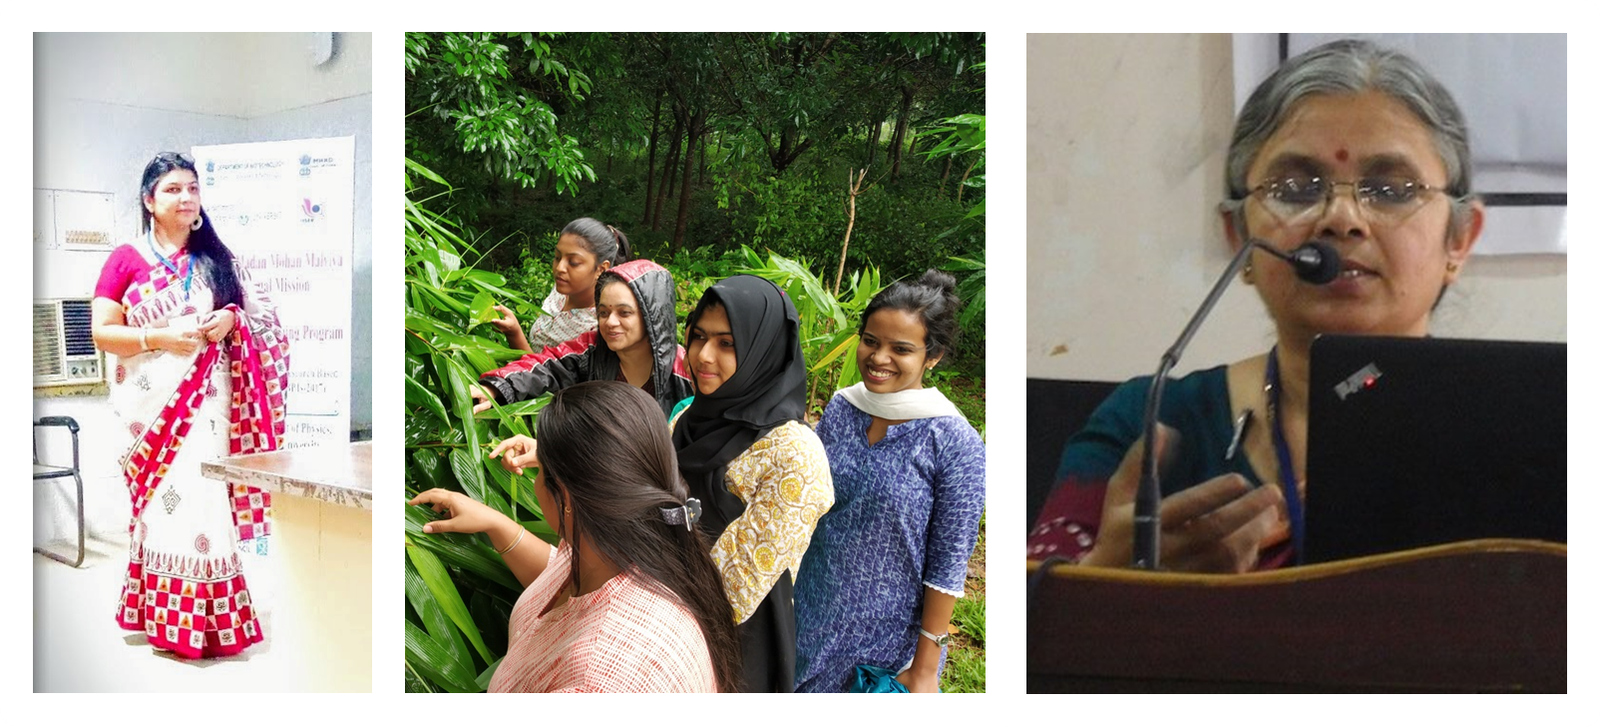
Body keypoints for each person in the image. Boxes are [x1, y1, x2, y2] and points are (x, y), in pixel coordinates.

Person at [1027, 39, 1484, 572]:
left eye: (1389, 189)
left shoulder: (1533, 426)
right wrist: (1113, 581)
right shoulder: (1153, 420)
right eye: (1295, 188)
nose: (1342, 218)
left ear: (1460, 240)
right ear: (1236, 234)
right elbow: (1030, 611)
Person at [410, 381, 741, 692]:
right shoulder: (630, 551)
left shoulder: (603, 681)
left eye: (542, 470)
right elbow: (560, 577)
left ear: (566, 497)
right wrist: (496, 523)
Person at [92, 152, 289, 658]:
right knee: (162, 511)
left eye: (193, 188)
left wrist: (231, 321)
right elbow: (102, 333)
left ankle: (205, 621)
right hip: (149, 412)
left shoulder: (218, 259)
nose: (186, 197)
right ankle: (162, 617)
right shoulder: (126, 259)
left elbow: (261, 323)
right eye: (173, 189)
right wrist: (159, 337)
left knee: (204, 503)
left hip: (208, 407)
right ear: (149, 201)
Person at [793, 270, 986, 693]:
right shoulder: (844, 410)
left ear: (930, 357)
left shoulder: (953, 441)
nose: (879, 358)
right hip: (810, 611)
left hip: (885, 642)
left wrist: (924, 667)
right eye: (871, 341)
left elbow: (949, 563)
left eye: (900, 349)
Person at [670, 275, 835, 692]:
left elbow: (735, 586)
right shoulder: (687, 418)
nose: (704, 356)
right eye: (699, 336)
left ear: (765, 351)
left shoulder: (793, 454)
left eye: (728, 343)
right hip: (662, 609)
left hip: (733, 641)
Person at [472, 258, 691, 418]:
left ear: (653, 317)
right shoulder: (592, 349)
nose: (610, 322)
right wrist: (496, 388)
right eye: (604, 312)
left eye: (624, 313)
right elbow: (545, 365)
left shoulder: (686, 372)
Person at [485, 217, 631, 353]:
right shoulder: (561, 291)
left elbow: (545, 377)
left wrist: (514, 334)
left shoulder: (597, 327)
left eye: (573, 262)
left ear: (601, 269)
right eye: (557, 257)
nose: (560, 268)